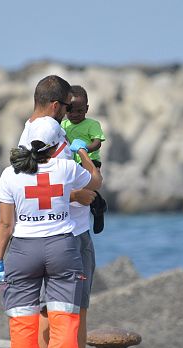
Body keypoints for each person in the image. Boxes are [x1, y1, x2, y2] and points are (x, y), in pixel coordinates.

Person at [0, 77, 102, 348]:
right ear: (57, 143)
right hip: (62, 246)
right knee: (65, 317)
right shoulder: (65, 168)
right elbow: (94, 185)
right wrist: (82, 153)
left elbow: (5, 223)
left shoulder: (11, 173)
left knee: (23, 321)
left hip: (22, 250)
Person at [35, 85, 120, 348]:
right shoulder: (49, 133)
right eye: (68, 108)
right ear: (58, 106)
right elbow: (30, 182)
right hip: (60, 233)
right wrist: (74, 193)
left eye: (80, 108)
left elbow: (91, 178)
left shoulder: (52, 133)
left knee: (77, 308)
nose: (73, 114)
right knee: (52, 309)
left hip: (76, 230)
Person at [61, 84, 108, 235]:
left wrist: (85, 149)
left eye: (79, 111)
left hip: (90, 161)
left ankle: (99, 208)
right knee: (76, 191)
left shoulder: (92, 124)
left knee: (89, 187)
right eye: (70, 110)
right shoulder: (63, 124)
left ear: (87, 109)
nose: (74, 114)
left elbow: (97, 142)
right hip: (72, 162)